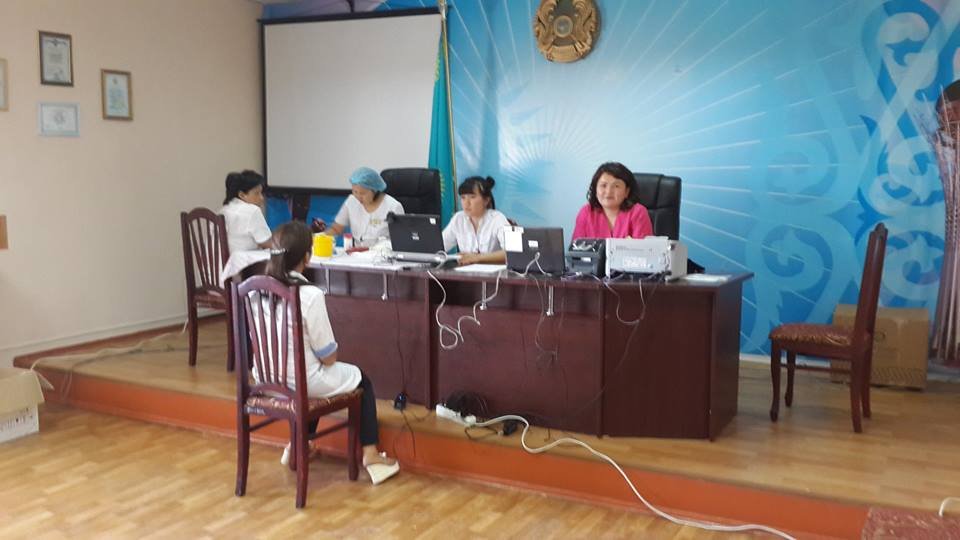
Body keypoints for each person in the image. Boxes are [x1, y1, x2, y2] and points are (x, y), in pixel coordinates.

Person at [258, 221, 399, 484]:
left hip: (266, 380)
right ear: (307, 257)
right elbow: (328, 355)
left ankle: (297, 446)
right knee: (360, 380)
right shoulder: (309, 294)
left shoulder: (255, 290)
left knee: (315, 379)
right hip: (302, 382)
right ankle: (370, 454)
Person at [316, 167, 404, 247]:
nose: (358, 196)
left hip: (382, 255)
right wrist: (319, 238)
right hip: (356, 254)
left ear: (375, 190)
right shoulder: (351, 201)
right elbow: (336, 229)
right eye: (355, 191)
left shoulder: (393, 206)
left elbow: (401, 240)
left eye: (362, 193)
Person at [572, 162, 653, 240]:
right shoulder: (586, 212)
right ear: (595, 190)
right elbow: (576, 247)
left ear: (627, 191)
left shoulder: (638, 213)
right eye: (603, 185)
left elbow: (644, 248)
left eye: (616, 186)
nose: (608, 192)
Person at [442, 176, 510, 265]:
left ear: (486, 200)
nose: (466, 203)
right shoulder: (458, 219)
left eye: (472, 197)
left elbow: (512, 252)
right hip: (465, 271)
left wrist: (477, 258)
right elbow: (439, 247)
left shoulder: (497, 219)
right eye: (463, 197)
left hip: (494, 272)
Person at [220, 170, 272, 254]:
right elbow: (268, 243)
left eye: (261, 193)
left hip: (214, 262)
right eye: (257, 193)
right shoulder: (252, 211)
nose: (261, 198)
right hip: (239, 261)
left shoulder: (223, 210)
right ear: (241, 195)